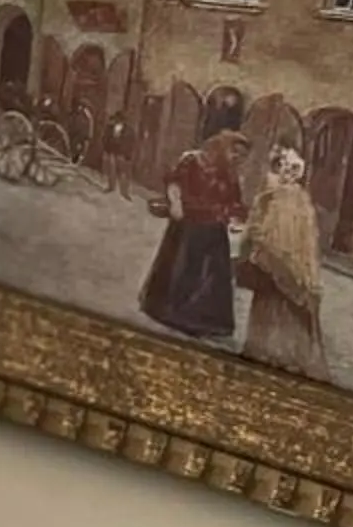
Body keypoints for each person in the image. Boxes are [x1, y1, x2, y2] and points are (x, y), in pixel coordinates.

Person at [138, 132, 248, 340]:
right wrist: (176, 203)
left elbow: (235, 202)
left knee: (211, 277)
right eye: (235, 152)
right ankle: (171, 313)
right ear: (222, 147)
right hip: (188, 224)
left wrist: (235, 218)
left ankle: (204, 322)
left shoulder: (230, 175)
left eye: (242, 156)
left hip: (215, 229)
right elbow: (173, 182)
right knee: (182, 268)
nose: (237, 158)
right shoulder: (192, 160)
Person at [238, 143, 328, 379]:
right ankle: (272, 351)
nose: (279, 173)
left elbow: (285, 235)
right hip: (280, 262)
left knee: (277, 301)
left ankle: (273, 352)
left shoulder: (287, 199)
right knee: (273, 301)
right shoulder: (289, 198)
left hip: (280, 261)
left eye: (285, 168)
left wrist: (258, 246)